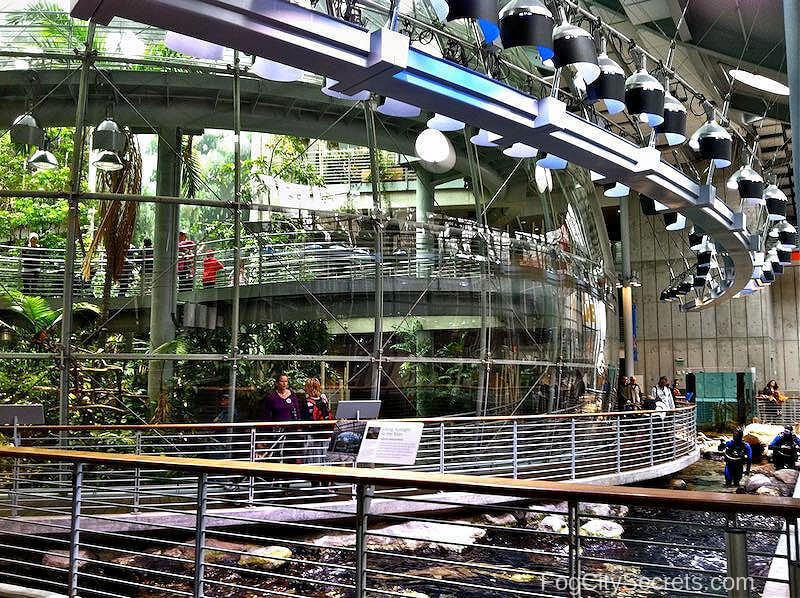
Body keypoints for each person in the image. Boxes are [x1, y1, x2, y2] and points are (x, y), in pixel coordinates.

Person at [262, 374, 309, 464]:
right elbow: (267, 415)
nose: (284, 384)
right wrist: (266, 433)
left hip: (291, 431)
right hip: (276, 430)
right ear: (277, 383)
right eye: (282, 381)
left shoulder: (292, 395)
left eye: (286, 381)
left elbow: (297, 411)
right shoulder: (271, 397)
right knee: (276, 454)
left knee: (290, 454)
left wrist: (298, 426)